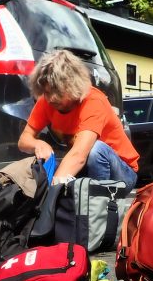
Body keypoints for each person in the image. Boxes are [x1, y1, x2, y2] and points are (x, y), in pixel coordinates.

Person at [18, 49, 139, 191]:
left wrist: (52, 192)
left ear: (72, 85)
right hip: (87, 168)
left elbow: (79, 156)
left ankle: (98, 207)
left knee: (96, 150)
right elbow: (23, 141)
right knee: (45, 168)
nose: (51, 98)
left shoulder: (93, 101)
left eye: (57, 91)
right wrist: (37, 144)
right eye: (47, 92)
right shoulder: (46, 102)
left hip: (123, 173)